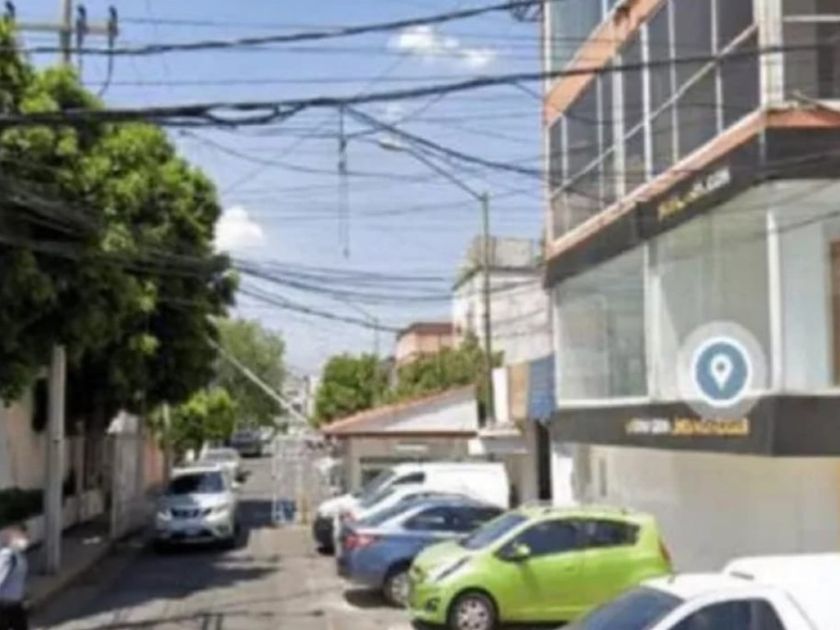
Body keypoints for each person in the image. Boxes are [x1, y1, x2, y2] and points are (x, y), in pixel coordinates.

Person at [0, 525, 29, 630]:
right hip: (4, 605)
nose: (26, 540)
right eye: (22, 537)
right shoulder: (8, 555)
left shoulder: (19, 555)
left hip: (15, 604)